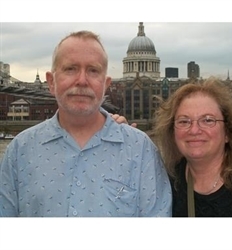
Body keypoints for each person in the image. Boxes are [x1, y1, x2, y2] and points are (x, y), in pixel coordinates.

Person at [0, 31, 172, 217]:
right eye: (70, 69)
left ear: (106, 84)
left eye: (93, 70)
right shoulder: (19, 150)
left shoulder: (141, 149)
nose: (82, 81)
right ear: (51, 82)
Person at [152, 77, 232, 217]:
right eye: (184, 121)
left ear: (227, 132)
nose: (194, 130)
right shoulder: (165, 182)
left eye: (208, 120)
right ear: (172, 132)